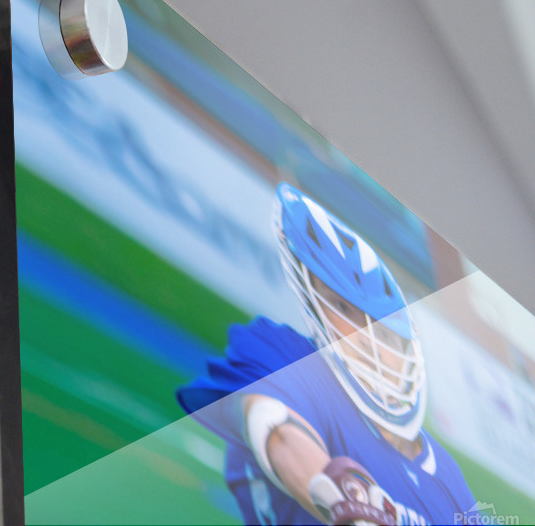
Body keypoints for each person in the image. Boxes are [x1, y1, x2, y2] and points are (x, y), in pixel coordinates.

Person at [177, 183, 478, 526]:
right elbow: (279, 431)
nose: (367, 339)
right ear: (312, 298)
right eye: (343, 308)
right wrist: (343, 501)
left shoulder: (447, 474)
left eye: (383, 332)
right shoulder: (282, 355)